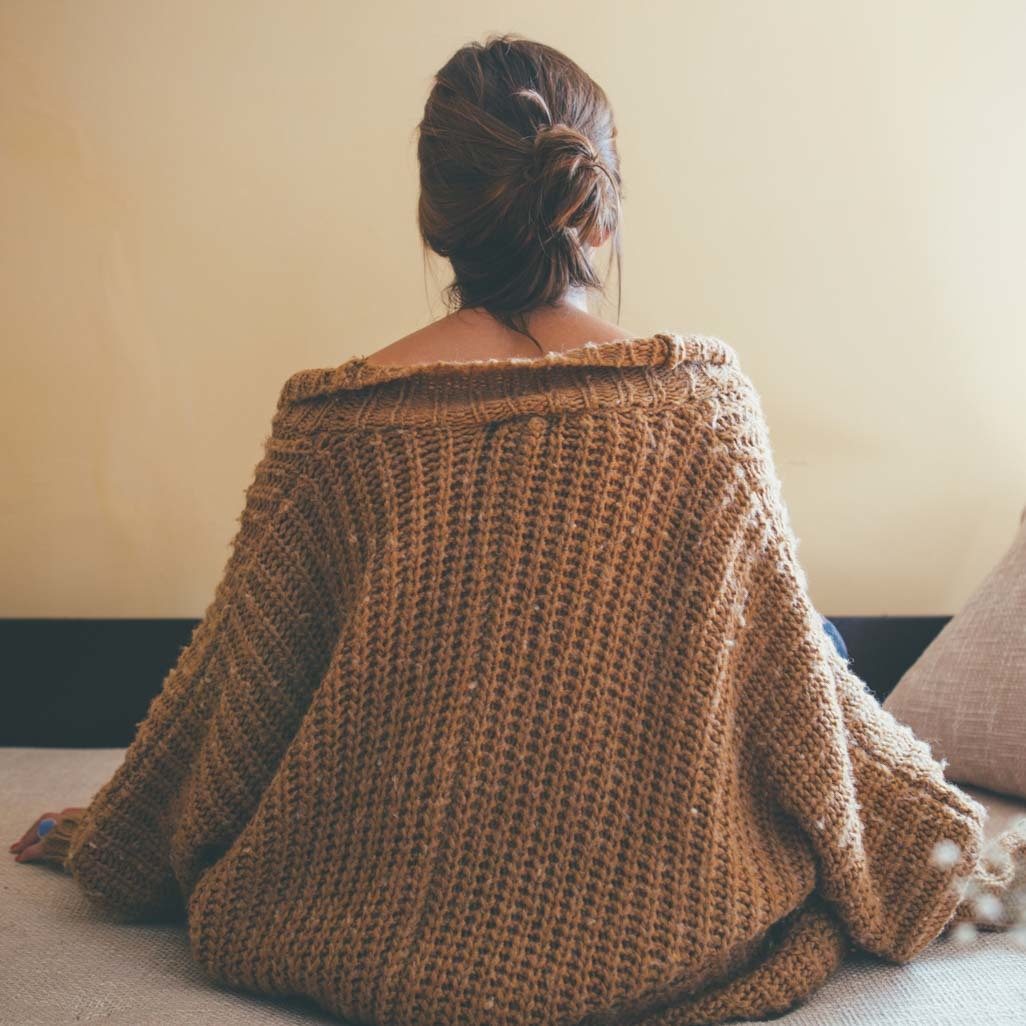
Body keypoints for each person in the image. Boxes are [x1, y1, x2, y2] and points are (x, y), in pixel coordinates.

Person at [11, 31, 1016, 1026]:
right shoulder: (701, 406)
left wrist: (118, 828)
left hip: (353, 926)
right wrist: (944, 848)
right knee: (810, 636)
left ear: (435, 218)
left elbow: (239, 684)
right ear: (601, 208)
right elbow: (798, 693)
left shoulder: (330, 426)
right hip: (667, 927)